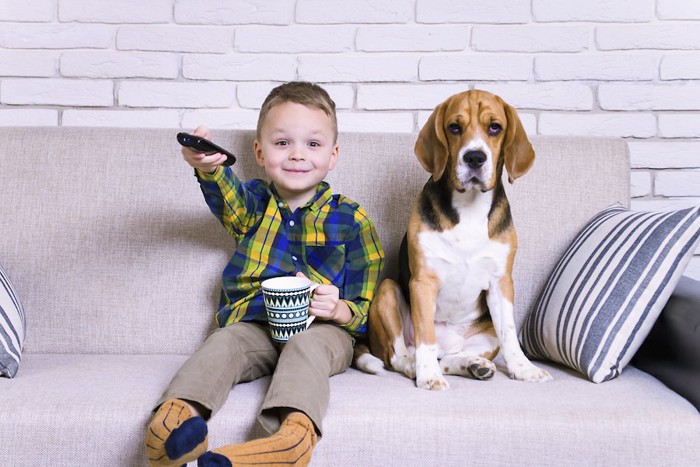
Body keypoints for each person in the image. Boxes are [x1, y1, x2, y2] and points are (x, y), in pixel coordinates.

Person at [144, 81, 384, 467]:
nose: (297, 155)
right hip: (255, 324)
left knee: (306, 349)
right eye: (282, 142)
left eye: (313, 144)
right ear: (259, 151)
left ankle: (288, 442)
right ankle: (173, 428)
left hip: (323, 332)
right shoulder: (253, 204)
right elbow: (226, 193)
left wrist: (338, 309)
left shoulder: (352, 220)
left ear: (333, 155)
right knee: (222, 342)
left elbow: (365, 307)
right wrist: (208, 167)